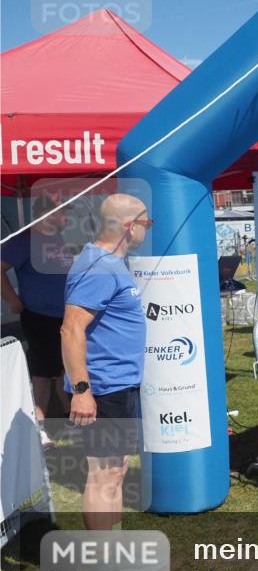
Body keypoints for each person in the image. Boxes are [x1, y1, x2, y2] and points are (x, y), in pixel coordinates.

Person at [61, 194, 150, 530]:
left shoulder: (109, 262)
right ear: (129, 227)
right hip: (104, 387)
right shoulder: (97, 267)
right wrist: (82, 390)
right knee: (104, 474)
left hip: (119, 384)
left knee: (117, 469)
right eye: (146, 222)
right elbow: (70, 329)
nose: (148, 228)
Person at [2, 195, 74, 448]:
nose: (67, 218)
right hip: (39, 316)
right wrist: (12, 299)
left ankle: (68, 420)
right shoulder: (25, 240)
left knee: (65, 368)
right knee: (43, 373)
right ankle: (39, 428)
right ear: (48, 215)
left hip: (65, 315)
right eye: (63, 213)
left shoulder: (60, 240)